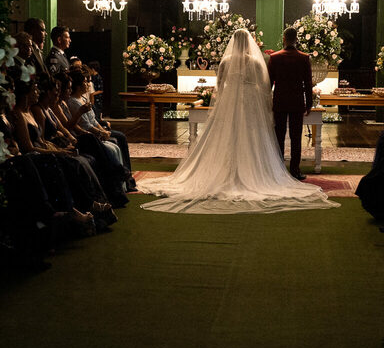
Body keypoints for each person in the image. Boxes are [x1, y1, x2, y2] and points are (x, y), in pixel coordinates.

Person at [138, 29, 338, 214]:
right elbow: (265, 85)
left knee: (233, 134)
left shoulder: (231, 61)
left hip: (237, 102)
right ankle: (280, 170)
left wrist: (227, 98)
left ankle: (236, 168)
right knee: (258, 135)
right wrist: (267, 102)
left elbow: (221, 85)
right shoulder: (259, 62)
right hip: (259, 103)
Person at [268, 26, 314, 180]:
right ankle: (295, 170)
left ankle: (279, 169)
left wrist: (267, 101)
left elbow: (269, 83)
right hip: (296, 102)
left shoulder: (275, 57)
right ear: (296, 40)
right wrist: (309, 104)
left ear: (284, 39)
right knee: (296, 137)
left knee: (279, 136)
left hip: (280, 101)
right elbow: (308, 83)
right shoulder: (304, 58)